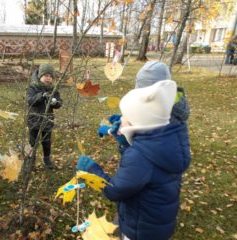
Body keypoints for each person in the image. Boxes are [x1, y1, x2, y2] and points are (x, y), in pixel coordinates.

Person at [77, 80, 191, 240]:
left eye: (125, 116)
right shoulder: (169, 139)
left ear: (137, 122)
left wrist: (91, 170)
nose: (121, 119)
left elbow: (115, 190)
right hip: (159, 221)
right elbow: (144, 171)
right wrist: (127, 144)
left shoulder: (139, 155)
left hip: (140, 228)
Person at [26, 64, 62, 169]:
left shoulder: (53, 89)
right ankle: (30, 160)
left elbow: (59, 103)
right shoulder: (33, 87)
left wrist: (55, 102)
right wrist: (41, 96)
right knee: (32, 142)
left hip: (47, 121)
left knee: (46, 141)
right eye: (46, 75)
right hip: (34, 120)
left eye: (50, 76)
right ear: (40, 76)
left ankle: (47, 159)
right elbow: (30, 101)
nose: (48, 78)